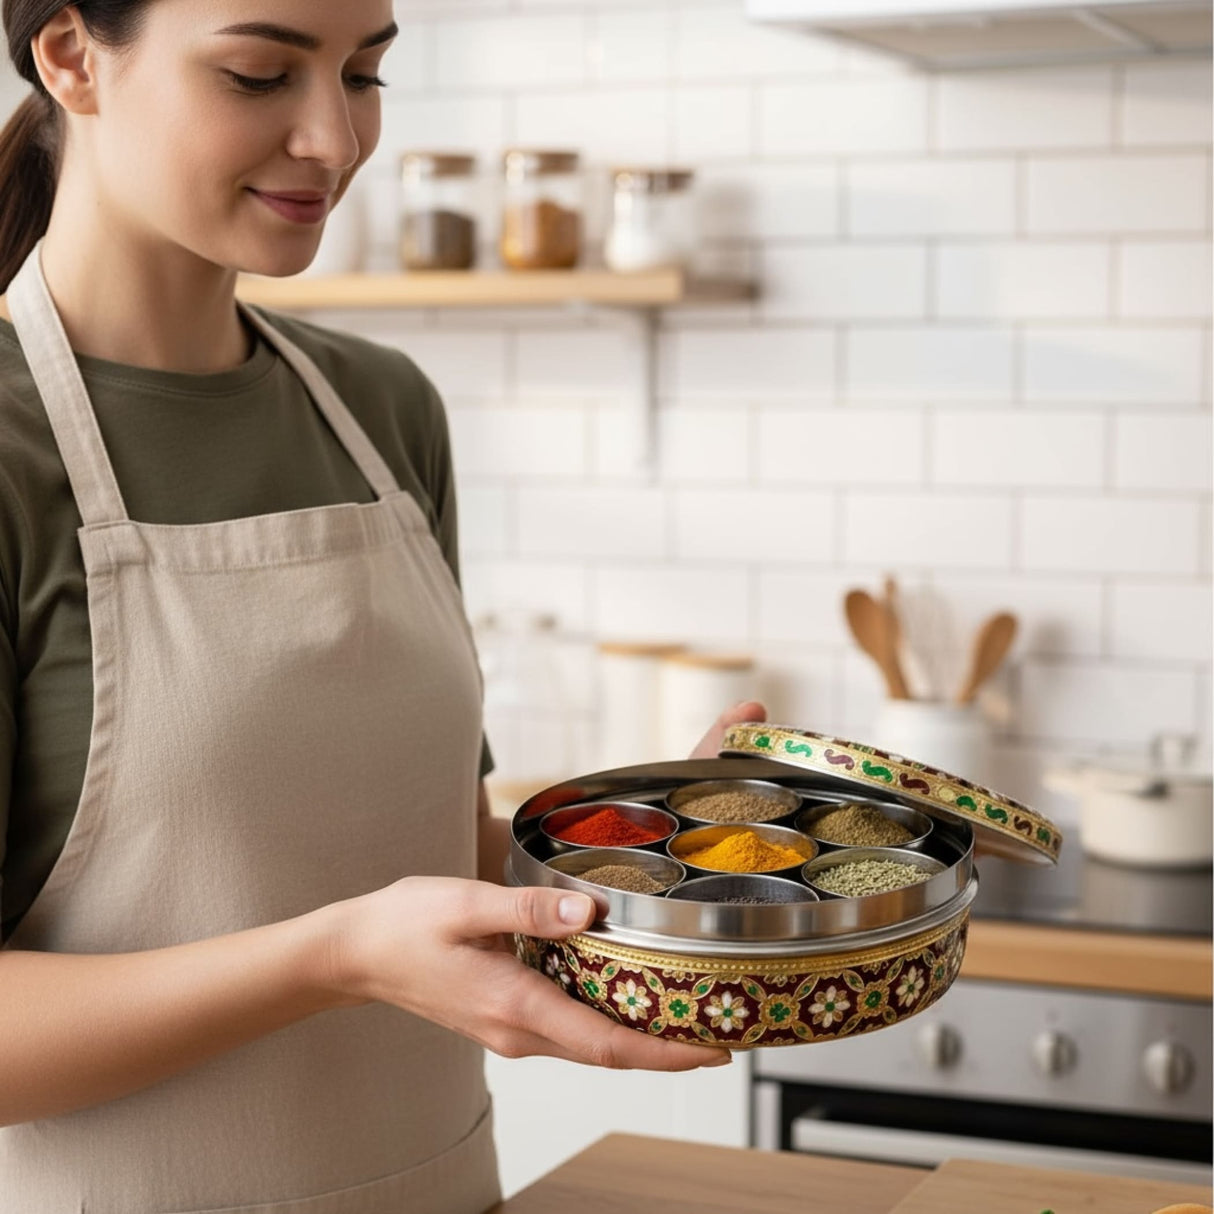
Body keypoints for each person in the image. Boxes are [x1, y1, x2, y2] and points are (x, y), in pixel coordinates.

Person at [0, 1, 766, 1210]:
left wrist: (649, 852)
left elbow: (439, 853)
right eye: (259, 73)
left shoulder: (381, 410)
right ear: (71, 57)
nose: (333, 138)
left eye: (364, 74)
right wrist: (337, 956)